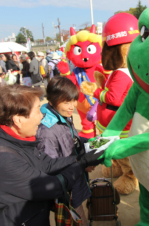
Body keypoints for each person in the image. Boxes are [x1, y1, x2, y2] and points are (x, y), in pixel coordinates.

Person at [0, 85, 103, 226]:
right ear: (18, 120)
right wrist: (81, 165)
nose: (42, 116)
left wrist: (82, 160)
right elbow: (53, 186)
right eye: (37, 111)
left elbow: (47, 164)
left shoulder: (18, 139)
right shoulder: (4, 162)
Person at [36, 76, 92, 225]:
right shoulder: (47, 131)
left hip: (75, 178)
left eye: (73, 100)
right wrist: (81, 163)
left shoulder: (61, 115)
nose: (72, 106)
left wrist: (91, 144)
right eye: (66, 102)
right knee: (77, 219)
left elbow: (72, 140)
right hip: (67, 188)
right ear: (52, 101)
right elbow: (51, 166)